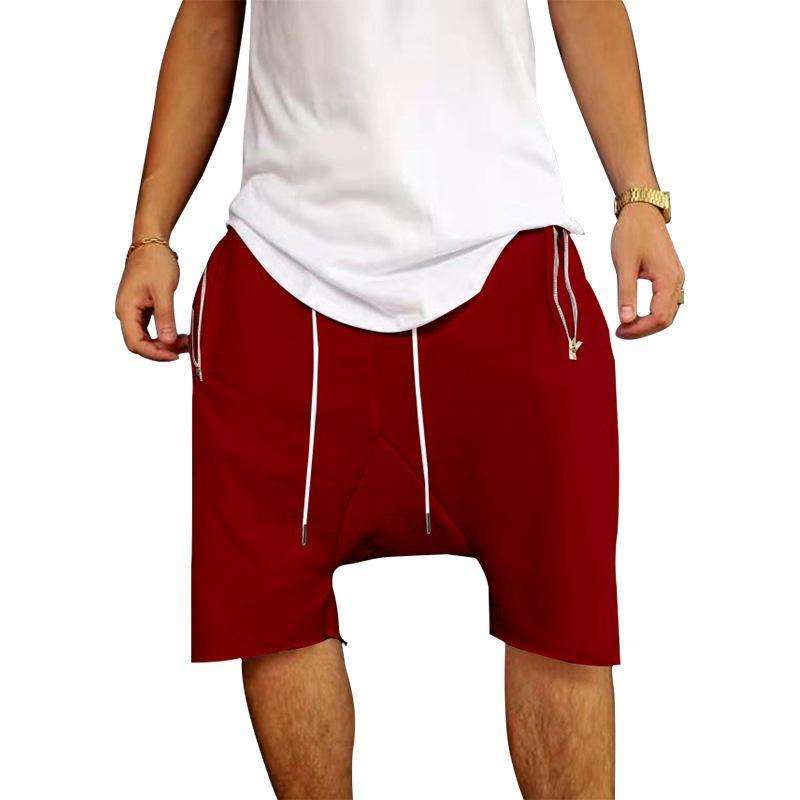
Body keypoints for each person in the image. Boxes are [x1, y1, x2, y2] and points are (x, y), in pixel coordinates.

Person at [115, 1, 684, 797]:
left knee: (565, 617)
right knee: (271, 615)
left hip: (503, 246)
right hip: (287, 254)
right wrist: (151, 233)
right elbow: (210, 15)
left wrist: (640, 197)